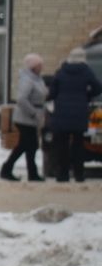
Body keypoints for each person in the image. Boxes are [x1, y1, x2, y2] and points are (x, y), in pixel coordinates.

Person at [44, 47, 100, 184]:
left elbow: (52, 92)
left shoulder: (61, 71)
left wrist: (56, 99)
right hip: (79, 113)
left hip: (61, 113)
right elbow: (98, 87)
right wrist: (86, 97)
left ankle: (63, 175)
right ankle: (79, 175)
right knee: (78, 145)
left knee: (62, 145)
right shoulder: (86, 71)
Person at [0, 53, 48, 182]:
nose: (41, 67)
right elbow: (21, 99)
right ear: (33, 66)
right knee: (28, 145)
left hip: (32, 118)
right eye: (39, 65)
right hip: (25, 118)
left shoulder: (37, 79)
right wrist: (33, 112)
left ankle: (12, 170)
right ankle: (12, 170)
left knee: (27, 145)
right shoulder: (28, 80)